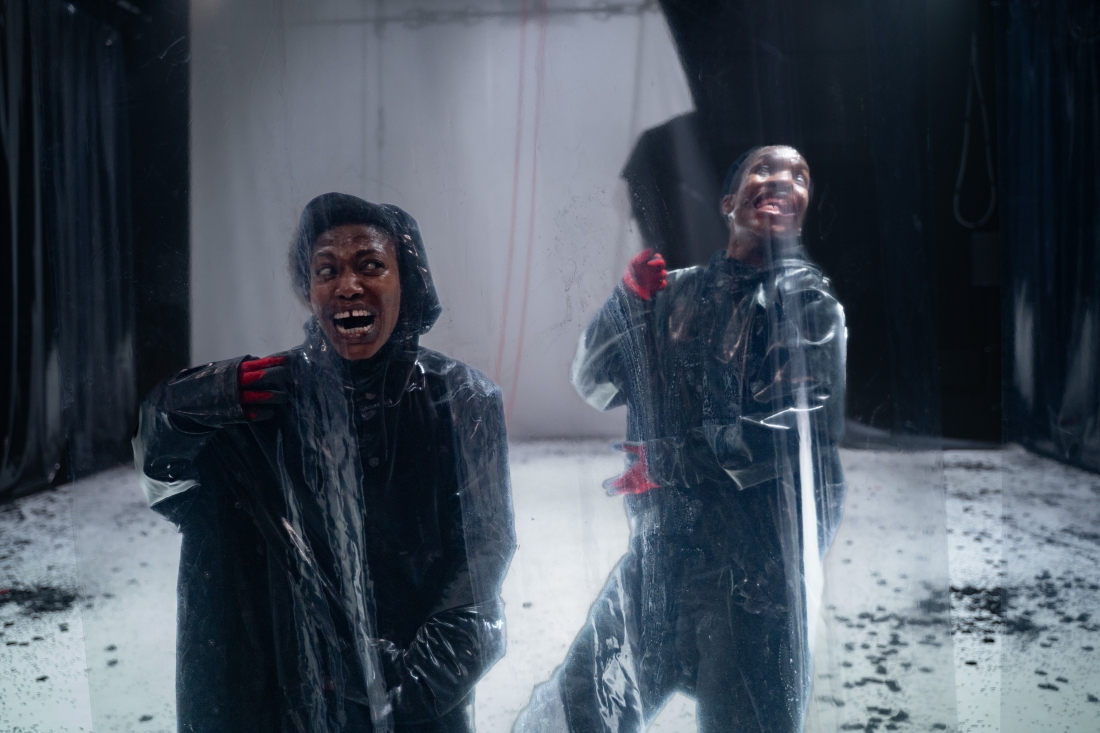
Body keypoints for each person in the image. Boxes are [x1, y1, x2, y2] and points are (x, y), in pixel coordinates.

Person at [134, 193, 516, 733]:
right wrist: (197, 400)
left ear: (407, 281)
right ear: (309, 290)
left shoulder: (461, 399)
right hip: (295, 700)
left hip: (418, 700)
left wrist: (404, 693)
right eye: (326, 270)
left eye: (371, 265)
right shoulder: (268, 401)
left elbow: (479, 565)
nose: (347, 286)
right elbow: (168, 485)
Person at [516, 146, 847, 733]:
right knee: (575, 713)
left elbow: (800, 429)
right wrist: (626, 303)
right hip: (662, 561)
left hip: (755, 585)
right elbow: (594, 382)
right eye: (764, 169)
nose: (783, 180)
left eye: (799, 175)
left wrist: (669, 460)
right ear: (728, 201)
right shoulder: (678, 295)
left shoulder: (808, 305)